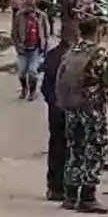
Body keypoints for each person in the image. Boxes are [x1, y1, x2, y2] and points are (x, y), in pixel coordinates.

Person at [55, 15, 108, 213]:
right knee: (95, 151)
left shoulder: (71, 53)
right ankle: (87, 196)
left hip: (72, 110)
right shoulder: (100, 55)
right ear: (98, 32)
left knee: (75, 150)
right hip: (91, 111)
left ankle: (70, 195)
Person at [41, 43, 70, 201]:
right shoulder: (71, 56)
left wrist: (52, 103)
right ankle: (62, 187)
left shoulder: (53, 55)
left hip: (57, 108)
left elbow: (45, 87)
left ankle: (56, 187)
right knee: (66, 147)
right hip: (68, 109)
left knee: (57, 146)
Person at [12, 0, 50, 101]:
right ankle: (24, 88)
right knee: (22, 71)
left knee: (33, 71)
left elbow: (46, 34)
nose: (29, 4)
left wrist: (45, 46)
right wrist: (18, 45)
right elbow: (14, 33)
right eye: (27, 1)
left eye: (31, 1)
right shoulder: (19, 16)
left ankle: (33, 92)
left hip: (36, 49)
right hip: (23, 49)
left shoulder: (41, 16)